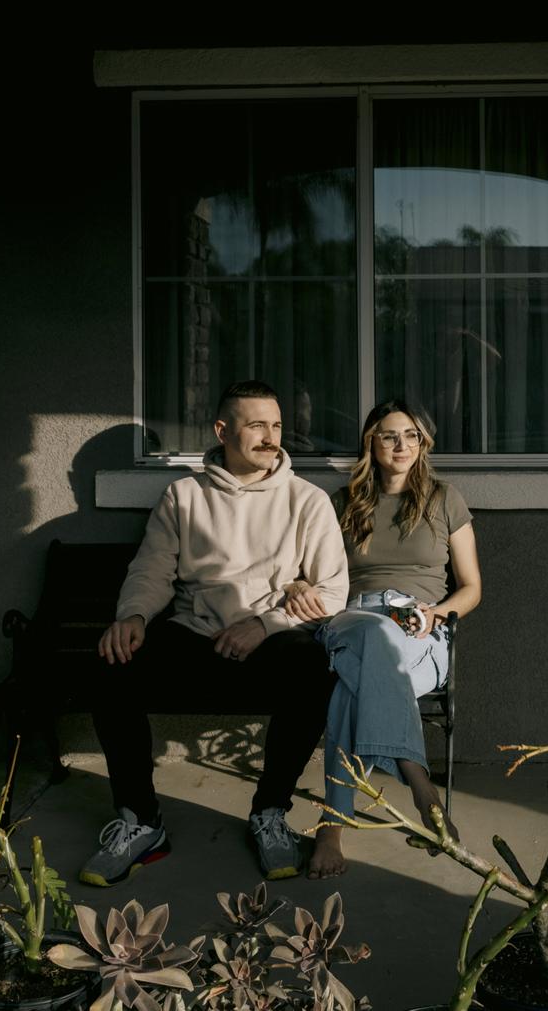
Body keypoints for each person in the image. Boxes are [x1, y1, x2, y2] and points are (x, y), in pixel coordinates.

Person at [80, 380, 348, 887]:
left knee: (315, 669)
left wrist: (265, 624)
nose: (271, 437)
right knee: (111, 663)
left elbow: (333, 591)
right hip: (195, 635)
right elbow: (151, 571)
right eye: (256, 425)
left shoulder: (308, 501)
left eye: (276, 425)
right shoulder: (184, 496)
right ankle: (141, 822)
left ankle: (269, 812)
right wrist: (133, 617)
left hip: (271, 640)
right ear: (223, 430)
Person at [289, 399, 481, 879]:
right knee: (372, 638)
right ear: (371, 443)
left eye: (412, 436)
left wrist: (437, 614)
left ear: (423, 444)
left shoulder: (444, 498)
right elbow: (303, 572)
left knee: (350, 689)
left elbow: (472, 588)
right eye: (390, 435)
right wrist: (297, 586)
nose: (402, 445)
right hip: (353, 617)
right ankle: (417, 778)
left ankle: (332, 824)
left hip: (421, 626)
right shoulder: (341, 502)